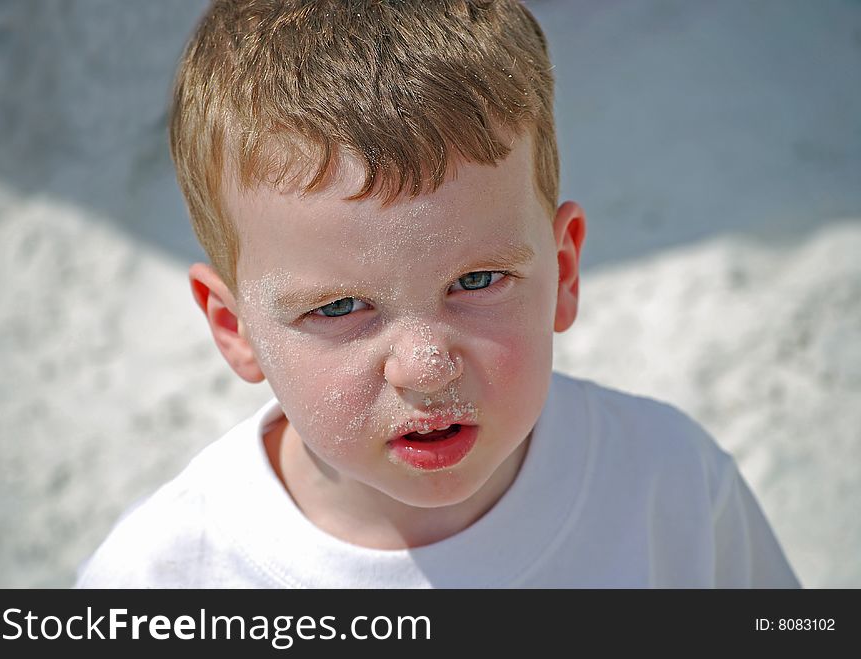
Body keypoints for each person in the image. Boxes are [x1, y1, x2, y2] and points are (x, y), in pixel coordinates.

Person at [76, 0, 798, 588]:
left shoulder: (669, 487)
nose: (425, 366)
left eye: (477, 281)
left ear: (564, 270)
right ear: (234, 327)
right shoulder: (163, 579)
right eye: (337, 307)